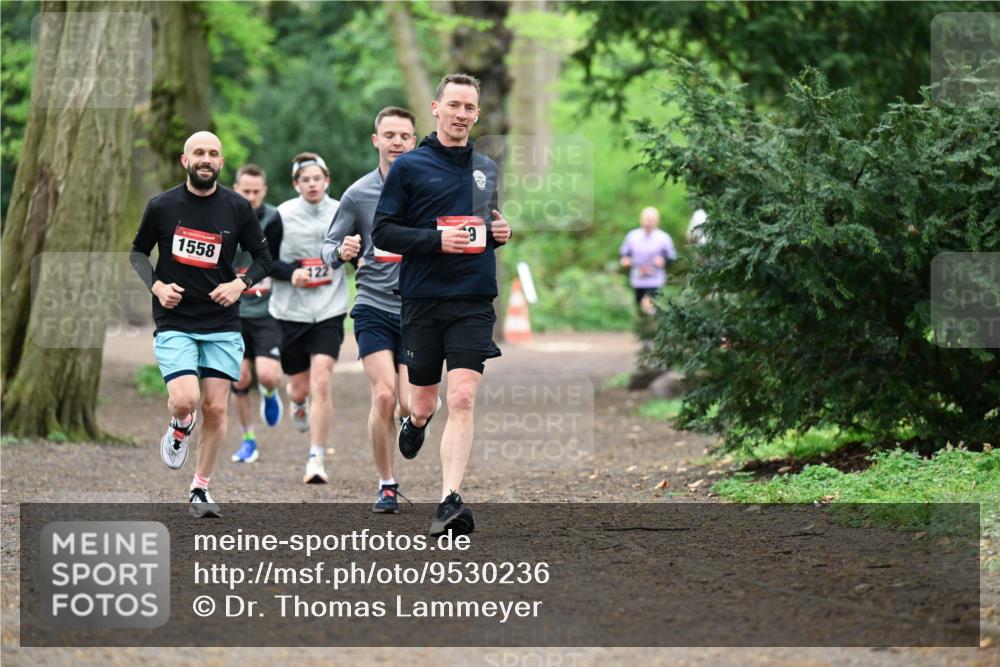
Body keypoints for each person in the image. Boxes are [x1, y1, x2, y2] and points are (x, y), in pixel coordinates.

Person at [372, 73, 512, 536]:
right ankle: (415, 422)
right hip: (423, 299)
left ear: (476, 113)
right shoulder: (410, 167)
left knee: (463, 396)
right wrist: (435, 240)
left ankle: (449, 500)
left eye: (469, 108)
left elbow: (483, 227)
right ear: (436, 108)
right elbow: (384, 232)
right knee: (425, 401)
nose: (461, 115)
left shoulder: (487, 168)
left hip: (473, 297)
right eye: (454, 105)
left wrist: (501, 235)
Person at [129, 131, 272, 518]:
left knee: (217, 408)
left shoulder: (237, 207)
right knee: (185, 399)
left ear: (221, 163)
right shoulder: (162, 206)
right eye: (199, 153)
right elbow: (138, 253)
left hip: (222, 323)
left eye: (213, 153)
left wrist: (240, 284)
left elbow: (264, 258)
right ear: (185, 160)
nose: (206, 158)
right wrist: (157, 285)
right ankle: (180, 425)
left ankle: (200, 488)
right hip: (175, 318)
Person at [322, 107, 418, 513]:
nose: (397, 142)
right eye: (390, 135)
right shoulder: (358, 194)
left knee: (411, 406)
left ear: (414, 142)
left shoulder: (429, 190)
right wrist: (341, 251)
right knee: (383, 396)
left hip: (418, 310)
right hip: (373, 306)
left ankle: (414, 422)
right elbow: (328, 248)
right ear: (375, 140)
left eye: (405, 136)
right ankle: (387, 484)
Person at [267, 152, 347, 485]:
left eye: (318, 178)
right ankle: (297, 403)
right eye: (305, 179)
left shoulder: (343, 210)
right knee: (299, 387)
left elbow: (355, 252)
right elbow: (265, 260)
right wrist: (291, 273)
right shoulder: (282, 216)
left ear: (327, 180)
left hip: (329, 308)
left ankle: (316, 457)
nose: (312, 184)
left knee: (322, 381)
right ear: (296, 184)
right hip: (291, 311)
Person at [229, 164, 284, 464]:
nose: (250, 197)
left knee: (267, 374)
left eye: (256, 191)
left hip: (267, 310)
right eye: (245, 191)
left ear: (264, 190)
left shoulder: (275, 219)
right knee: (239, 378)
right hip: (233, 312)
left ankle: (270, 392)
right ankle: (248, 439)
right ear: (236, 188)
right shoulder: (223, 216)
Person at [619, 206, 676, 316]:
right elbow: (624, 253)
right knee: (640, 305)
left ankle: (653, 325)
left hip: (655, 279)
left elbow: (672, 257)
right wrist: (625, 260)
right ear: (641, 219)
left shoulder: (664, 238)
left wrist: (663, 260)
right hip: (637, 278)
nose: (648, 223)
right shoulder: (632, 236)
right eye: (646, 219)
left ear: (657, 221)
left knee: (648, 303)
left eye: (651, 220)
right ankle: (645, 327)